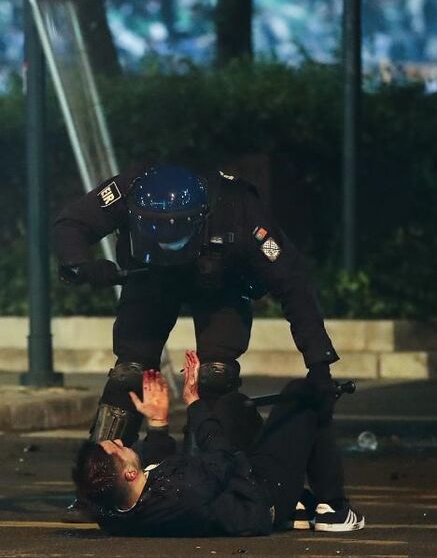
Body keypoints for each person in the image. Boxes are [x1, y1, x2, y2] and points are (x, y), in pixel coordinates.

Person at [53, 165, 338, 445]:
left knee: (216, 375)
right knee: (130, 373)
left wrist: (319, 363)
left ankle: (210, 461)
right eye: (155, 230)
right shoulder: (128, 189)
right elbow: (73, 223)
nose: (168, 242)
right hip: (150, 275)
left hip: (219, 282)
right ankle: (102, 466)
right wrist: (81, 265)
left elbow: (292, 282)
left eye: (175, 234)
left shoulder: (239, 210)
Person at [73, 351, 364, 535]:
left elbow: (154, 467)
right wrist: (193, 402)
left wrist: (159, 421)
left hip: (235, 485)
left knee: (233, 405)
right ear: (129, 473)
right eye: (119, 450)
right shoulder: (186, 489)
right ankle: (334, 507)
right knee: (306, 394)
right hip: (263, 494)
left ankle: (301, 505)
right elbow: (220, 454)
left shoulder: (112, 512)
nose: (124, 442)